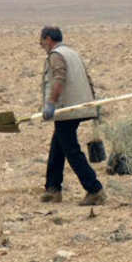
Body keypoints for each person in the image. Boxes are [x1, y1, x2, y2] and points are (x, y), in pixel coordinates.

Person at [39, 26, 107, 206]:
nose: (40, 44)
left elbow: (59, 79)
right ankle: (53, 189)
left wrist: (51, 104)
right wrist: (93, 103)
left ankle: (95, 190)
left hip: (66, 110)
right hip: (77, 108)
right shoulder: (71, 53)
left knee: (71, 150)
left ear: (47, 39)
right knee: (58, 148)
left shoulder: (56, 55)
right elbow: (87, 78)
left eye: (41, 40)